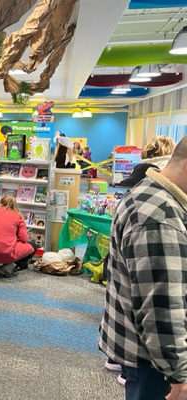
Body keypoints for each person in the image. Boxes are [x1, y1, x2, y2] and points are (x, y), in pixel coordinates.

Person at [99, 136, 187, 400]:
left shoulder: (150, 194)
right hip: (156, 363)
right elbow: (161, 309)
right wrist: (179, 376)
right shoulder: (159, 217)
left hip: (149, 355)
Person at [0, 195, 37, 277]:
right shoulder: (17, 216)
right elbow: (24, 238)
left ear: (1, 202)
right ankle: (7, 267)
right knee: (32, 246)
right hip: (4, 251)